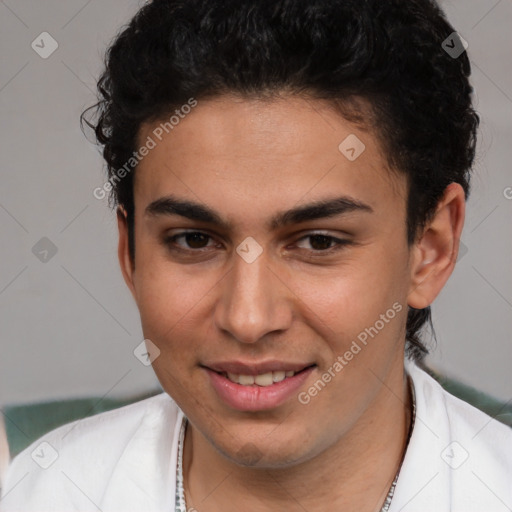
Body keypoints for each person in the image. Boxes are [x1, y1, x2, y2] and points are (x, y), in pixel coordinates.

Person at [1, 0, 511, 510]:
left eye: (318, 242)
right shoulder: (40, 492)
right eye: (193, 240)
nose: (247, 319)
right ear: (130, 253)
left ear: (430, 249)